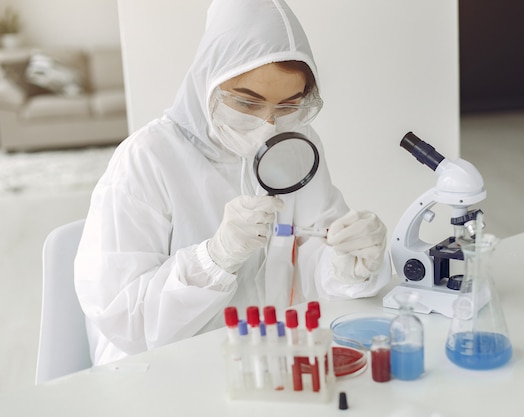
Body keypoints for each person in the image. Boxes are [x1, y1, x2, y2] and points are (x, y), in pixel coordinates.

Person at [74, 0, 391, 366]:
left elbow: (308, 261)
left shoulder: (297, 144)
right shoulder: (147, 159)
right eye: (247, 102)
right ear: (207, 80)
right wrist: (215, 257)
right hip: (163, 372)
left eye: (288, 105)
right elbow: (125, 321)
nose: (268, 125)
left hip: (268, 360)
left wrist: (345, 264)